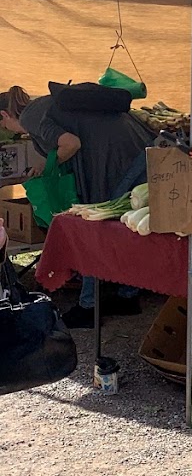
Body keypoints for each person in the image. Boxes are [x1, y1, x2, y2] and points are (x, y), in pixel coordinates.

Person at [0, 84, 153, 328]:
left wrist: (51, 165)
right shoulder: (43, 104)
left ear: (4, 115)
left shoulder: (29, 116)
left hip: (120, 161)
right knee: (124, 228)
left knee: (91, 230)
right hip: (136, 151)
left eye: (3, 125)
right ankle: (128, 297)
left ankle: (88, 307)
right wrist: (45, 164)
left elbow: (71, 144)